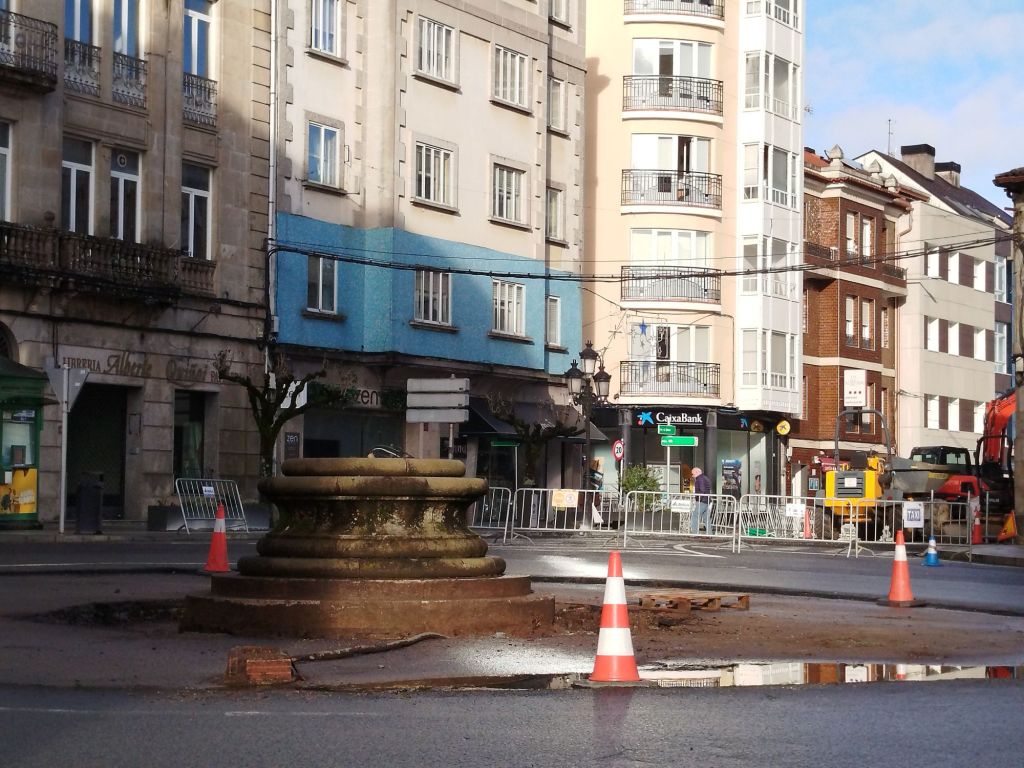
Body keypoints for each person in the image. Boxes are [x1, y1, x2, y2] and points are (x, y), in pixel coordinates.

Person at [690, 466, 712, 535]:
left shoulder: (700, 479)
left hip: (702, 501)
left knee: (695, 516)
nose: (692, 475)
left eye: (693, 474)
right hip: (706, 500)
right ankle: (709, 533)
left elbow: (702, 491)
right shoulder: (705, 478)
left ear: (697, 472)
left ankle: (695, 533)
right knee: (706, 518)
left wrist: (698, 500)